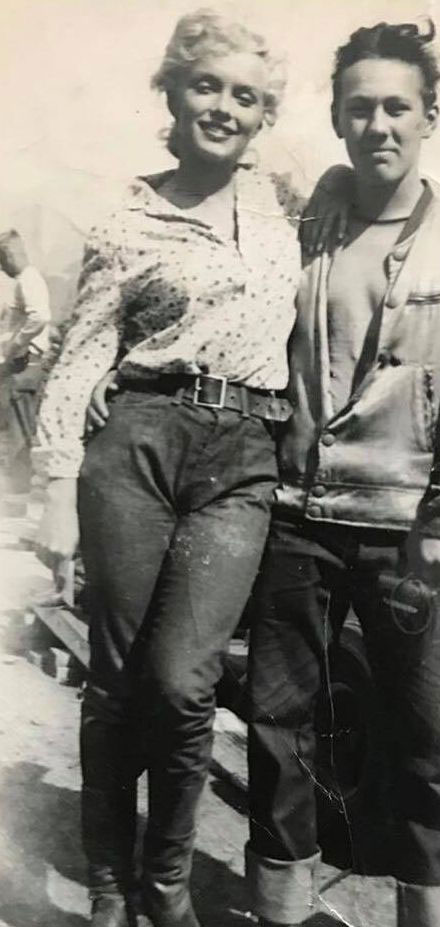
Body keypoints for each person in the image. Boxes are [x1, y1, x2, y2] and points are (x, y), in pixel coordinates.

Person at [244, 20, 440, 927]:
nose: (378, 125)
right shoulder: (304, 229)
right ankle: (280, 911)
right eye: (359, 108)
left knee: (427, 747)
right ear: (336, 119)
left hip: (410, 534)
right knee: (278, 730)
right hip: (298, 517)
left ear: (429, 116)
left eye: (397, 107)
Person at [34, 10, 301, 927]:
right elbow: (82, 352)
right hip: (138, 445)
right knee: (115, 678)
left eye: (245, 96)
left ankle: (167, 882)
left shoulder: (289, 209)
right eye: (206, 86)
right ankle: (111, 883)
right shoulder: (128, 214)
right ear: (172, 94)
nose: (223, 107)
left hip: (242, 459)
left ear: (264, 114)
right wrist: (56, 484)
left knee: (185, 683)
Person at [0, 229, 50, 493]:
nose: (1, 268)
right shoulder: (26, 279)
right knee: (15, 429)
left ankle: (16, 497)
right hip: (22, 363)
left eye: (1, 261)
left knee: (18, 431)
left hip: (24, 363)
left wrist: (14, 345)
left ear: (9, 255)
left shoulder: (28, 279)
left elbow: (40, 316)